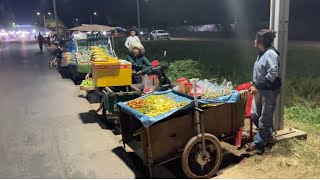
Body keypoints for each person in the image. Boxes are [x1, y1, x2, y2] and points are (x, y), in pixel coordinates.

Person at [245, 29, 282, 153]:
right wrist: (254, 83)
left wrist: (258, 85)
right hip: (261, 89)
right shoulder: (262, 53)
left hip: (269, 91)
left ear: (261, 41)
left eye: (256, 39)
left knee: (264, 117)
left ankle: (258, 143)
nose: (254, 41)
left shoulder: (270, 54)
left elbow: (272, 73)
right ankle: (269, 136)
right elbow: (261, 72)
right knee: (255, 115)